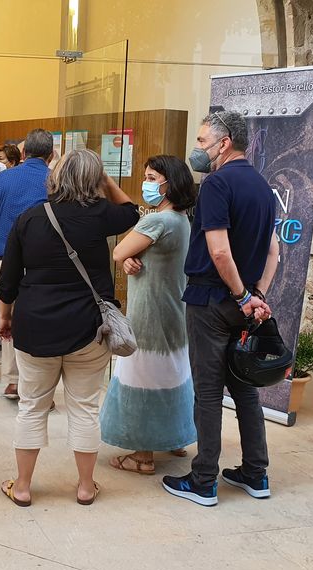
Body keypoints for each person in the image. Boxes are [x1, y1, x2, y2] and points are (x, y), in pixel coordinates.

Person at [0, 149, 138, 507]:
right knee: (85, 407)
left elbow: (8, 282)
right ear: (95, 180)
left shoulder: (29, 218)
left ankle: (23, 487)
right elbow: (131, 211)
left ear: (55, 178)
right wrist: (105, 181)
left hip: (36, 327)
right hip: (88, 328)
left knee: (32, 406)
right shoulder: (101, 214)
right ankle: (86, 487)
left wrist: (5, 317)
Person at [162, 111, 280, 507]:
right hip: (241, 304)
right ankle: (256, 473)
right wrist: (256, 295)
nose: (197, 149)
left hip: (211, 300)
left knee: (209, 392)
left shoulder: (216, 183)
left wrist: (243, 296)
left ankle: (203, 481)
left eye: (201, 141)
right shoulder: (263, 187)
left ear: (224, 143)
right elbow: (274, 251)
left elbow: (218, 251)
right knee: (244, 389)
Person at [101, 155, 198, 475]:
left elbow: (118, 250)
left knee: (142, 377)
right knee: (172, 375)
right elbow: (135, 254)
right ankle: (173, 437)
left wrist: (125, 257)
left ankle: (142, 455)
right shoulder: (182, 220)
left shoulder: (158, 221)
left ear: (170, 184)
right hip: (174, 310)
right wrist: (131, 258)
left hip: (149, 314)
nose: (147, 183)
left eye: (152, 178)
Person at [0, 128, 55, 399]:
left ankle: (12, 380)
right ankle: (39, 384)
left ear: (23, 153)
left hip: (4, 257)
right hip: (45, 261)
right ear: (51, 155)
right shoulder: (55, 181)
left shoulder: (3, 179)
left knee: (8, 317)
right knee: (43, 319)